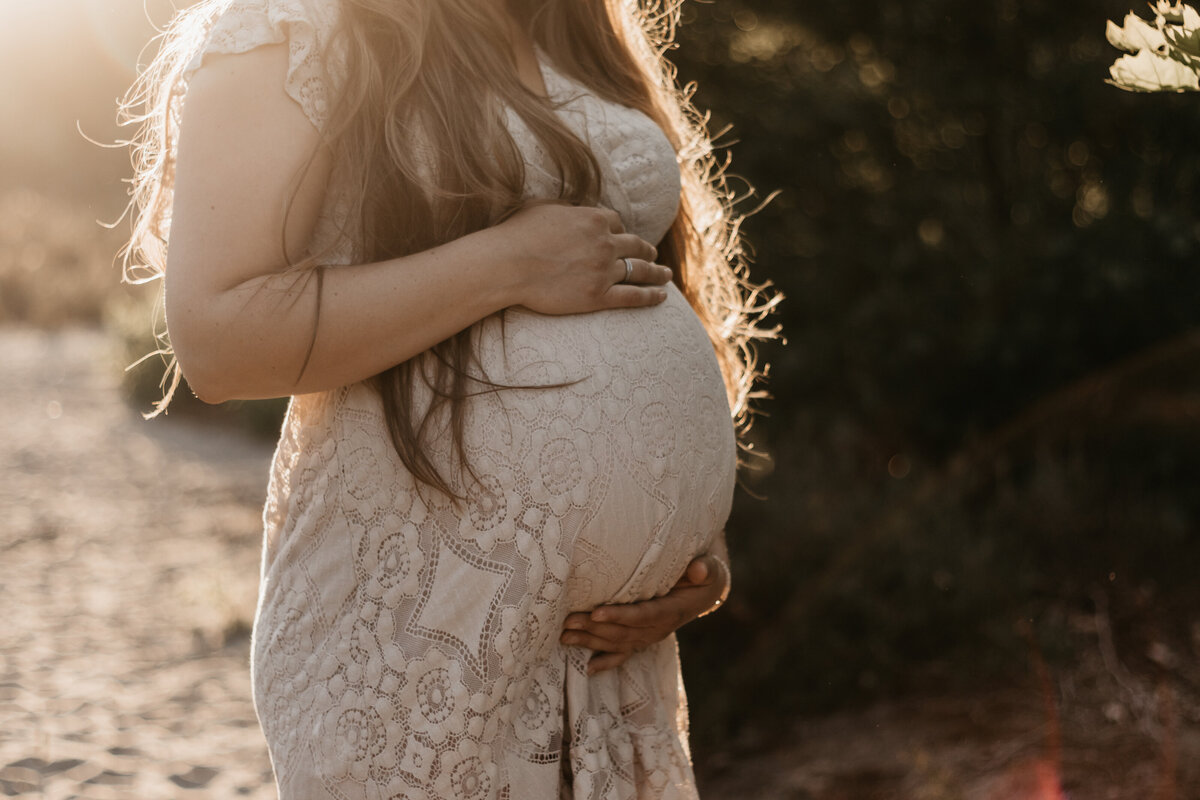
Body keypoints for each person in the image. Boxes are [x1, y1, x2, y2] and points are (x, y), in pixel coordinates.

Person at [121, 0, 773, 796]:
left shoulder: (570, 17)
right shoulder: (292, 27)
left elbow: (643, 273)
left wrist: (687, 556)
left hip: (610, 673)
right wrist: (505, 265)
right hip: (421, 641)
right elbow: (217, 341)